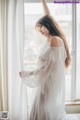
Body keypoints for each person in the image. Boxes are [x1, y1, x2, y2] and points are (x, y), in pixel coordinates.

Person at [19, 0, 78, 120]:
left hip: (48, 81)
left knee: (41, 109)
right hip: (46, 80)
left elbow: (49, 67)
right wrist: (43, 1)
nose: (39, 30)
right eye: (38, 28)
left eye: (40, 26)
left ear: (48, 24)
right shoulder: (53, 38)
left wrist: (27, 74)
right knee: (40, 108)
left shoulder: (54, 40)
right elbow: (48, 16)